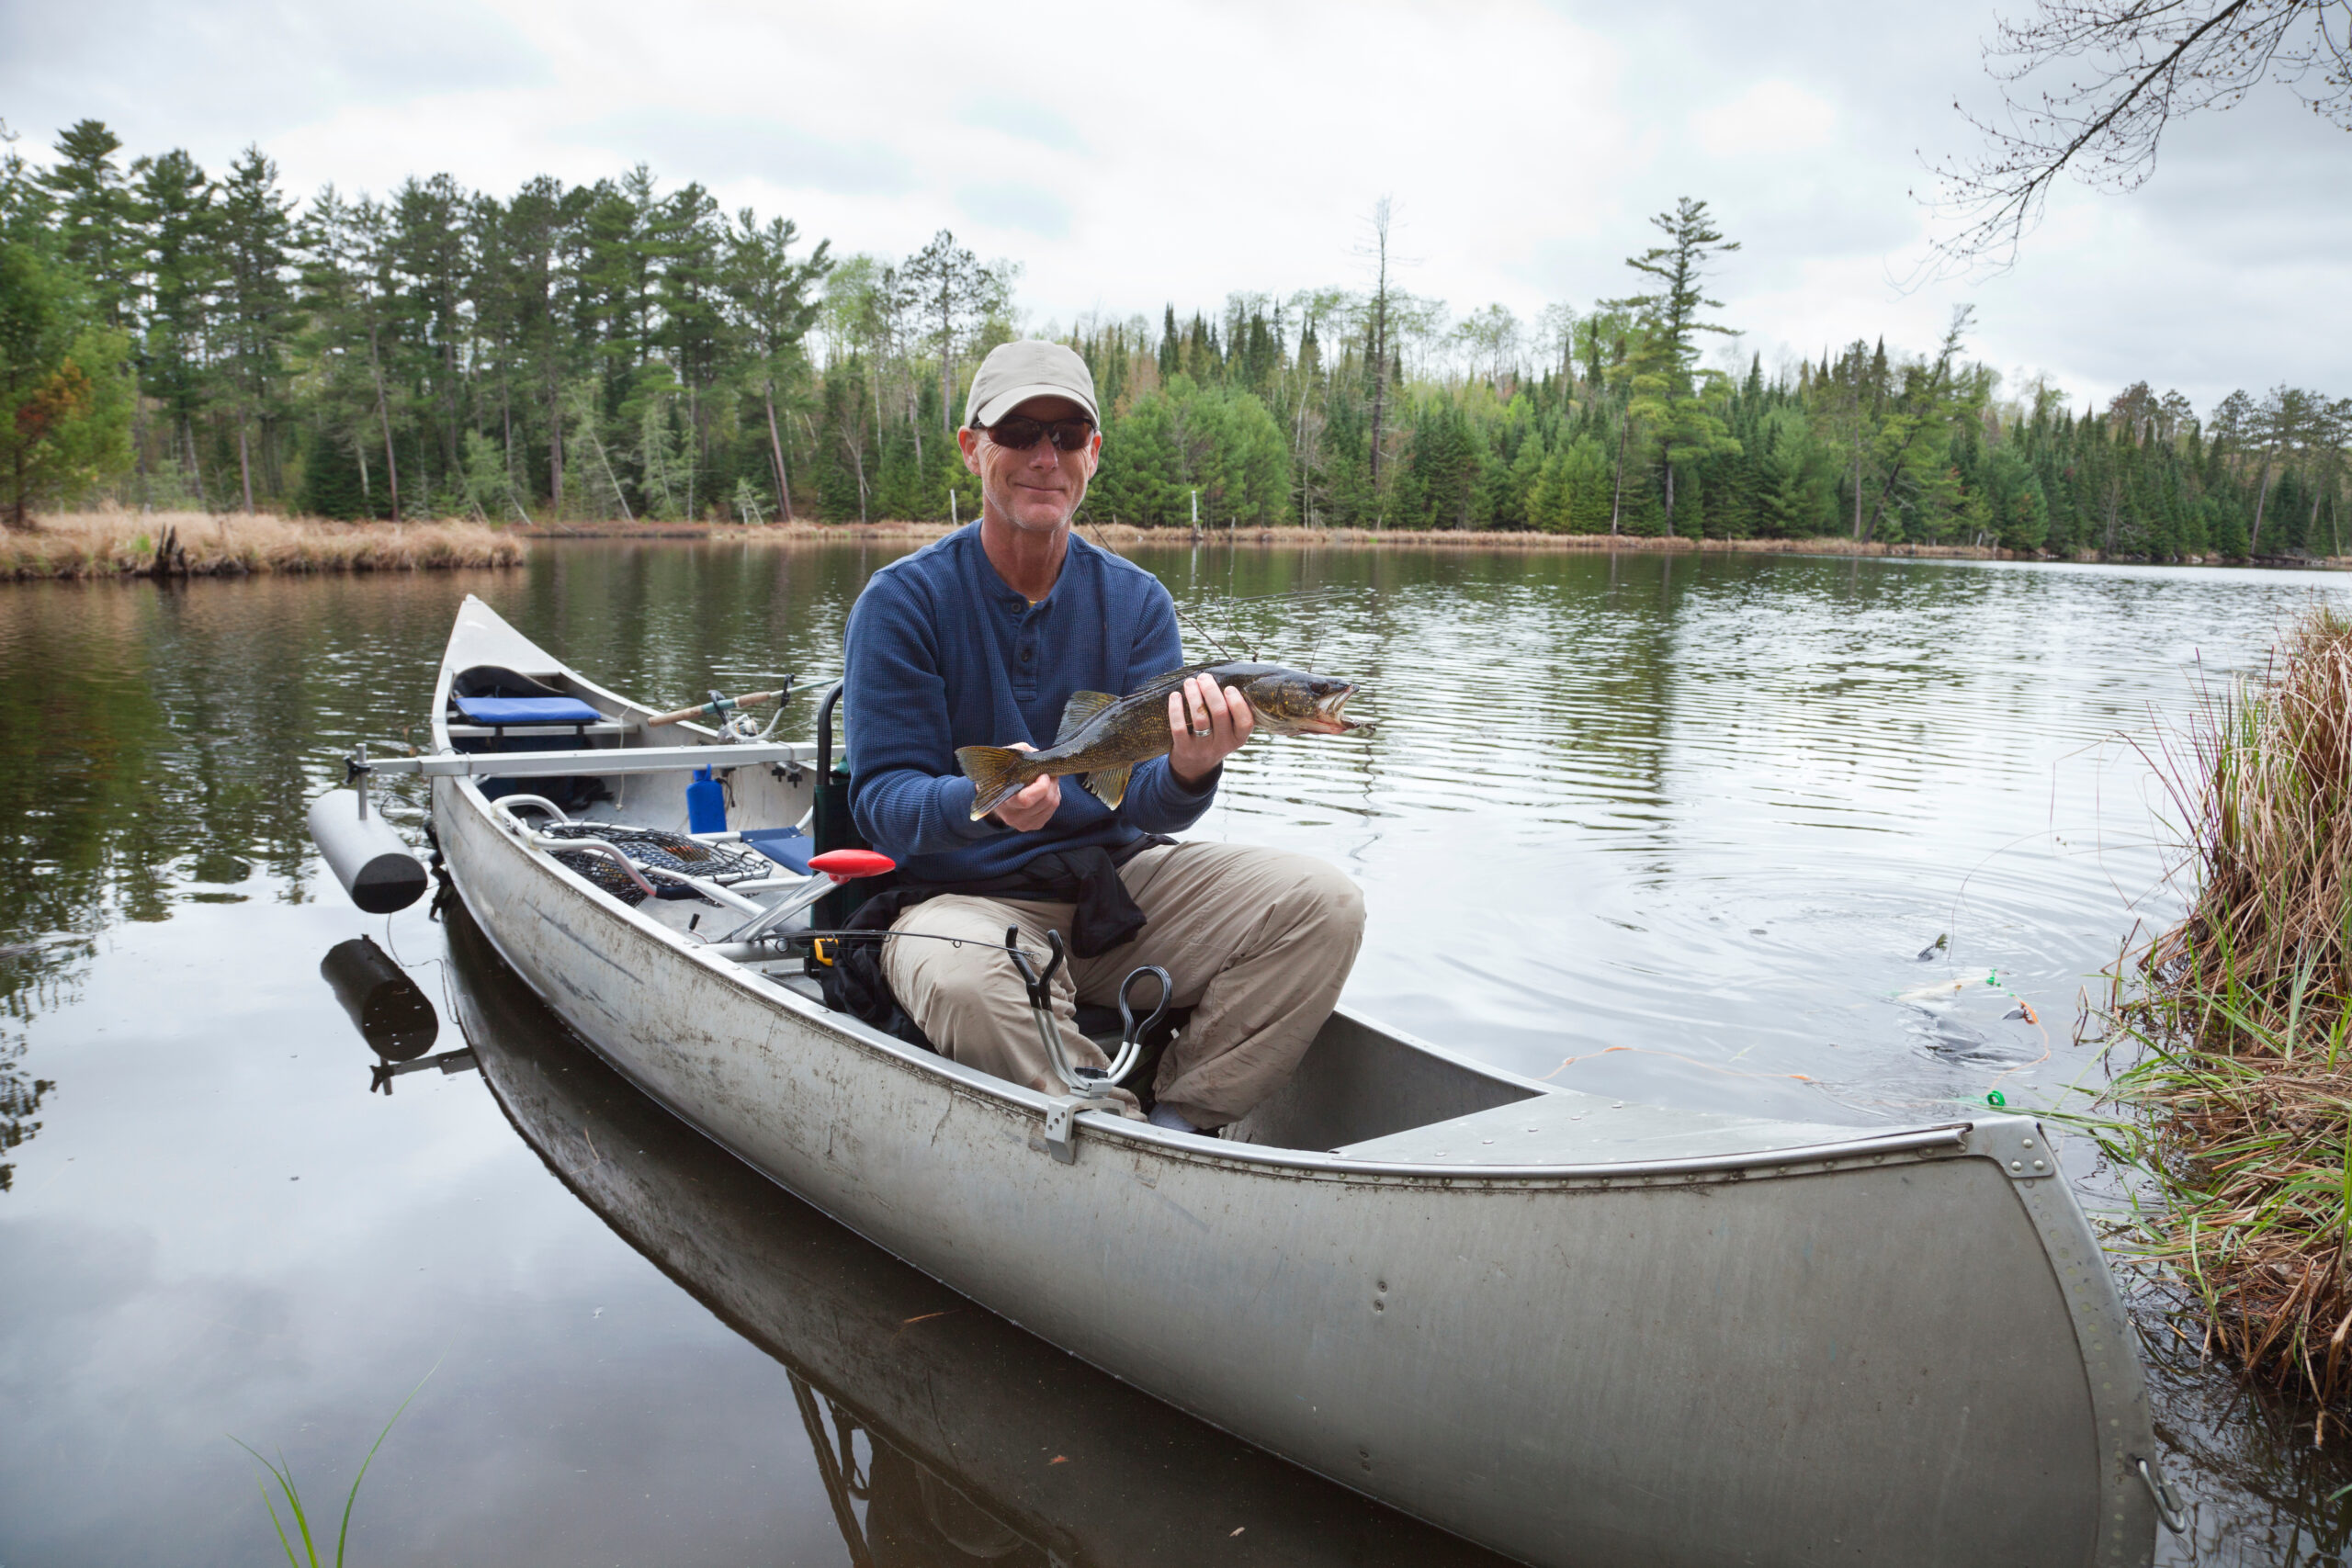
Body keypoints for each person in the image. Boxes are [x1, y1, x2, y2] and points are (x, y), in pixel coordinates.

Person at [841, 339, 1364, 1134]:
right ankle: (1102, 1124)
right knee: (966, 984)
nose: (1044, 456)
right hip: (958, 904)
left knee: (1324, 904)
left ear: (1093, 452)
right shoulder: (903, 602)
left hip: (1114, 891)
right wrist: (983, 798)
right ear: (972, 446)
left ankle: (1183, 1125)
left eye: (1068, 433)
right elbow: (882, 802)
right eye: (1019, 431)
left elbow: (1142, 803)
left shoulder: (1138, 600)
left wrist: (1191, 769)